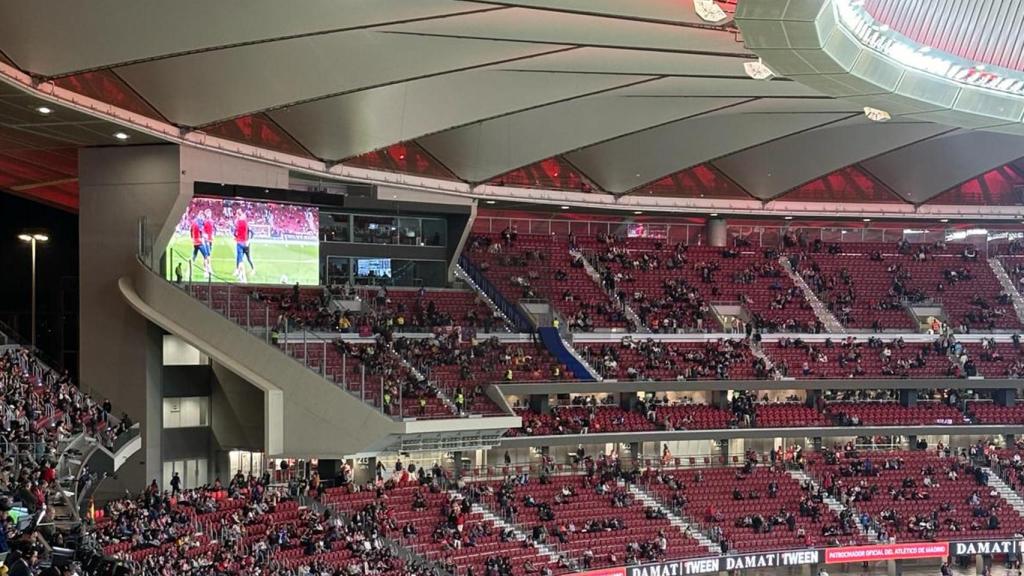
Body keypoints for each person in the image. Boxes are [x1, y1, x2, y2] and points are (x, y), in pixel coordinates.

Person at [233, 211, 255, 282]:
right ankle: (239, 273)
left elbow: (235, 232)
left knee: (246, 258)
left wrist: (249, 240)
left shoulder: (240, 223)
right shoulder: (243, 222)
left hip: (244, 243)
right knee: (239, 259)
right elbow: (235, 233)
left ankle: (249, 271)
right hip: (243, 243)